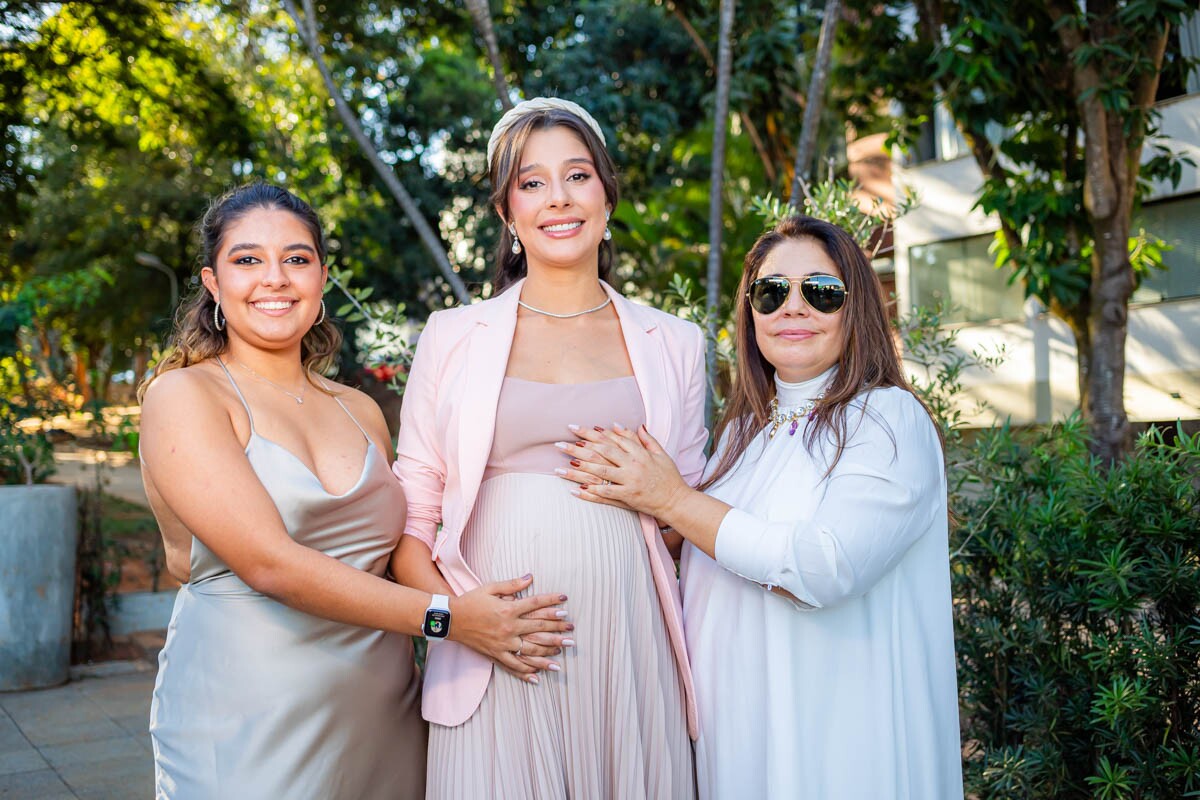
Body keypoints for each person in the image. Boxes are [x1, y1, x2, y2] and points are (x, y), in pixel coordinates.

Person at [138, 183, 570, 799]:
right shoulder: (184, 396)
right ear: (213, 282)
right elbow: (269, 564)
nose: (275, 278)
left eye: (296, 258)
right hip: (245, 711)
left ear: (320, 276)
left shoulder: (361, 410)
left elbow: (401, 547)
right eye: (247, 259)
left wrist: (500, 597)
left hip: (380, 709)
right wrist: (450, 620)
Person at [564, 215, 965, 799]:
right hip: (738, 749)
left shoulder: (887, 419)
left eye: (821, 293)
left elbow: (823, 569)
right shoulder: (741, 433)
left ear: (857, 310)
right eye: (771, 292)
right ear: (750, 313)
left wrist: (672, 498)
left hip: (839, 749)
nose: (792, 308)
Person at [391, 97, 706, 799]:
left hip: (631, 652)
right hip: (492, 655)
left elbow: (691, 525)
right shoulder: (453, 335)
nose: (557, 199)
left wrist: (664, 496)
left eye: (578, 176)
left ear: (607, 193)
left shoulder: (675, 343)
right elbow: (409, 524)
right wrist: (459, 618)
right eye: (531, 183)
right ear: (507, 212)